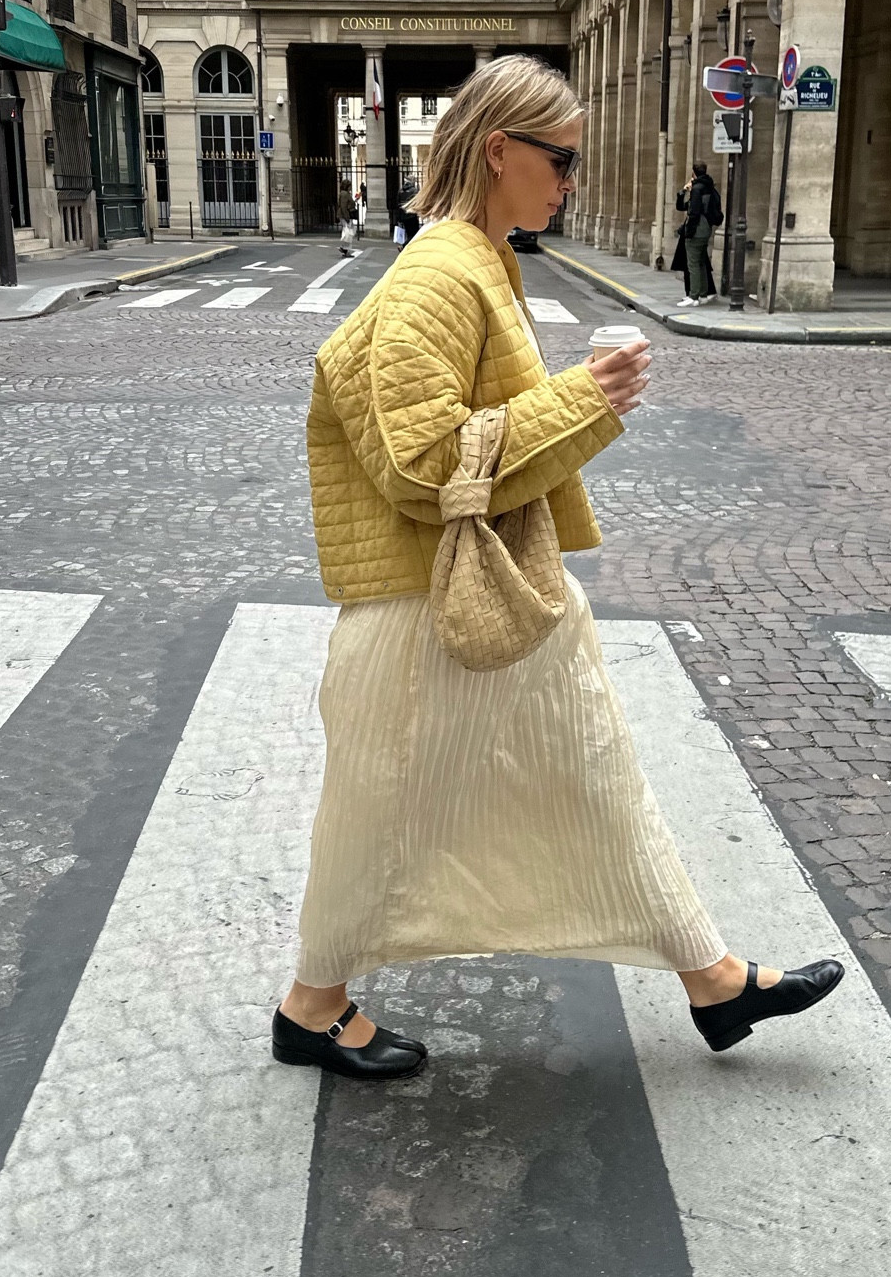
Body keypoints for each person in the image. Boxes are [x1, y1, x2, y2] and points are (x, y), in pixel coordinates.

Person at [275, 55, 843, 1079]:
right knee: (385, 803)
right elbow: (420, 456)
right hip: (425, 600)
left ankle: (711, 978)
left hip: (471, 585)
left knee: (588, 769)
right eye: (563, 160)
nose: (570, 182)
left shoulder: (481, 258)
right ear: (500, 151)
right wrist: (588, 395)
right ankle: (312, 1003)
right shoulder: (442, 269)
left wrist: (585, 400)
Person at [674, 160, 722, 307]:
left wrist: (688, 231)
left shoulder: (697, 189)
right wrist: (684, 192)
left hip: (696, 230)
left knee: (693, 264)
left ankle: (693, 296)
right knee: (701, 262)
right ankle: (703, 294)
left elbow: (692, 211)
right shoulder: (710, 188)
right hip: (706, 228)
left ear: (694, 173)